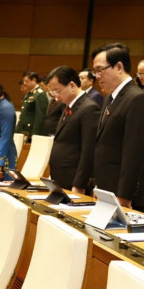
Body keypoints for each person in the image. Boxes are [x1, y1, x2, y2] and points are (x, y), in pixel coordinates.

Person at [92, 43, 144, 210]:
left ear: (119, 67)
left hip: (126, 197)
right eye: (95, 71)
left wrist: (124, 196)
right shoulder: (109, 99)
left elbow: (135, 153)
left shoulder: (137, 98)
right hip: (108, 189)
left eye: (100, 70)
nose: (97, 76)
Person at [45, 66, 99, 194]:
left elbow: (88, 150)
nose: (56, 97)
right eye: (53, 92)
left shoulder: (89, 108)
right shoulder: (68, 106)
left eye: (57, 91)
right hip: (61, 176)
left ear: (72, 85)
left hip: (73, 180)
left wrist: (79, 183)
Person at [15, 70, 48, 140]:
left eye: (26, 81)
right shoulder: (29, 94)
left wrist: (35, 135)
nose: (24, 83)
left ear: (34, 80)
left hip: (30, 132)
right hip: (23, 130)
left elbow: (40, 117)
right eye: (24, 81)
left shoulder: (40, 94)